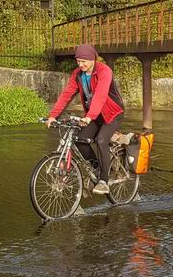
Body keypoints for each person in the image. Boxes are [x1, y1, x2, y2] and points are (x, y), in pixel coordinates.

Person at [47, 44, 125, 195]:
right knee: (79, 139)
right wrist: (53, 115)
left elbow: (101, 95)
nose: (81, 65)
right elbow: (67, 94)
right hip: (94, 115)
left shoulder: (104, 71)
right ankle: (96, 169)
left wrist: (90, 116)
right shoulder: (77, 74)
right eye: (78, 61)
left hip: (112, 113)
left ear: (93, 59)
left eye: (84, 61)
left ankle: (104, 181)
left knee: (101, 140)